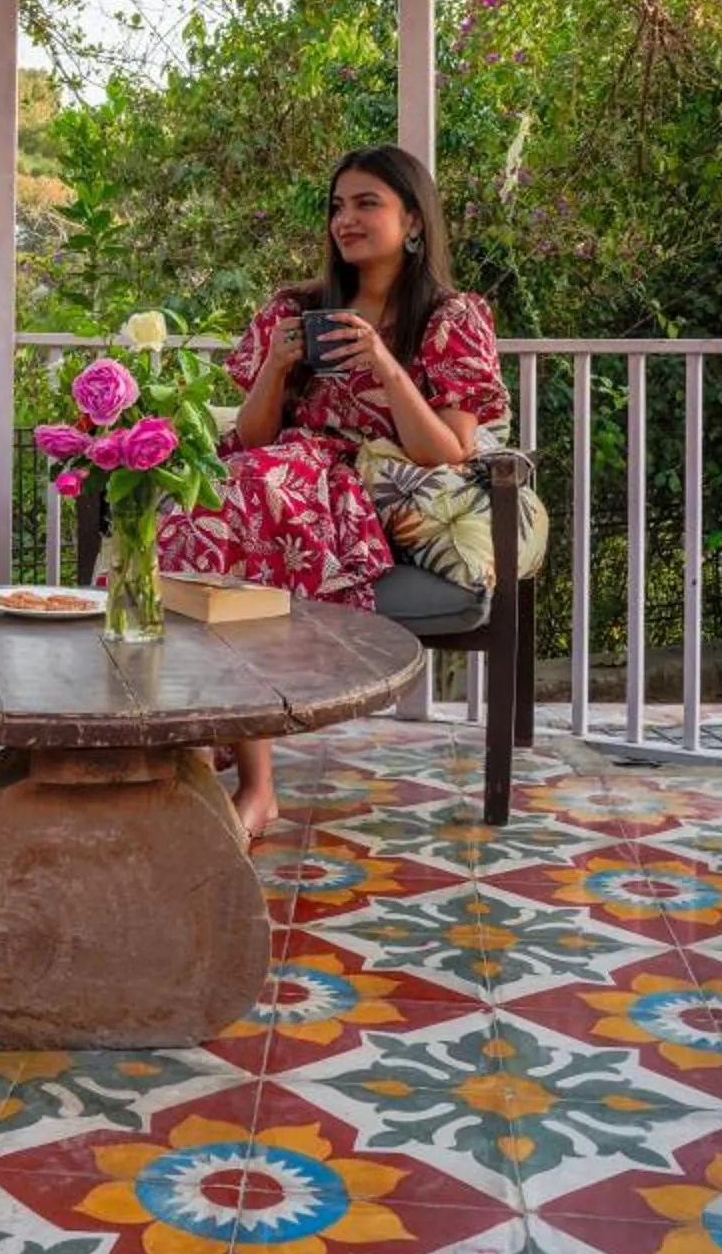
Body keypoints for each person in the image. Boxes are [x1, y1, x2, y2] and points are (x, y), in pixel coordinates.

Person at [158, 145, 510, 840]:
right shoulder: (295, 308)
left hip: (361, 489)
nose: (345, 219)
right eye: (337, 205)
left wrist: (384, 363)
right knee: (205, 500)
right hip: (275, 477)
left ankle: (246, 783)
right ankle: (195, 737)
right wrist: (277, 370)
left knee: (244, 495)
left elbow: (446, 449)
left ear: (412, 219)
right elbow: (255, 440)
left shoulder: (450, 317)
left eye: (366, 203)